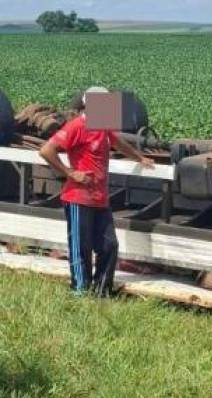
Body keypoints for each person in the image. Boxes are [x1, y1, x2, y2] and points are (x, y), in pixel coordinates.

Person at [39, 86, 154, 296]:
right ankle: (80, 291)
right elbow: (46, 150)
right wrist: (71, 173)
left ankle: (102, 292)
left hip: (100, 199)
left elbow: (117, 142)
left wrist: (140, 158)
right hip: (78, 198)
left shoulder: (102, 126)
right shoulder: (76, 126)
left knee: (109, 246)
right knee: (81, 246)